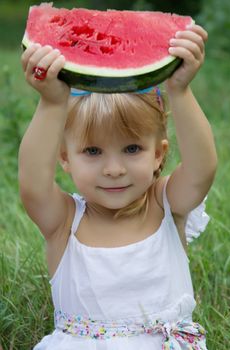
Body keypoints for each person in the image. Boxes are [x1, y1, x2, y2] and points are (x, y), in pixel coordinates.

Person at [19, 23, 217, 349]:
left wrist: (180, 90)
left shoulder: (166, 205)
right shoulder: (64, 222)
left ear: (158, 154)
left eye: (132, 149)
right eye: (93, 151)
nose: (114, 169)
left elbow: (202, 170)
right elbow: (33, 185)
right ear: (65, 158)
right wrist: (52, 103)